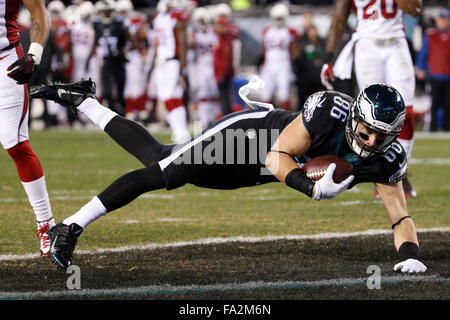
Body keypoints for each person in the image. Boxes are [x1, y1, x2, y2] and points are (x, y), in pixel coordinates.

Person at [30, 77, 427, 275]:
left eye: (382, 135)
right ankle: (70, 226)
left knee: (163, 157)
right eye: (366, 130)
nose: (371, 140)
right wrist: (311, 188)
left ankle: (83, 101)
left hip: (266, 168)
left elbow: (400, 217)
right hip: (254, 136)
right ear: (355, 116)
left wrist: (409, 255)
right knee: (165, 174)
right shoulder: (328, 112)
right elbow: (278, 155)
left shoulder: (386, 157)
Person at [320, 0, 422, 199]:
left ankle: (400, 172)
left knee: (406, 114)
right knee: (371, 114)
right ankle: (379, 175)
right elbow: (339, 20)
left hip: (396, 44)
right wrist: (328, 58)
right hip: (367, 46)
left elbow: (415, 10)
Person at [1, 0, 55, 256]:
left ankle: (47, 225)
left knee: (16, 144)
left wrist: (33, 55)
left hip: (5, 61)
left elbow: (38, 13)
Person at [151, 0, 190, 144]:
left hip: (172, 61)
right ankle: (179, 131)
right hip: (161, 62)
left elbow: (183, 42)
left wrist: (182, 66)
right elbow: (156, 43)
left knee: (173, 96)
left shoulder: (176, 17)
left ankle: (181, 132)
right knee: (166, 96)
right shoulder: (158, 18)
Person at [258, 3, 299, 111]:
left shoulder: (290, 31)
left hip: (283, 64)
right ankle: (266, 119)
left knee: (284, 94)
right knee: (266, 93)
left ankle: (285, 119)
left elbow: (294, 52)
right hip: (270, 64)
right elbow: (263, 50)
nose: (278, 20)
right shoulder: (267, 31)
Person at [416, 8, 450, 132]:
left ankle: (447, 127)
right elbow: (423, 53)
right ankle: (433, 127)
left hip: (448, 74)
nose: (443, 22)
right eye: (441, 20)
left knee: (448, 103)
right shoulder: (431, 35)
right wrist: (420, 68)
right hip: (435, 74)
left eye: (446, 20)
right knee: (434, 102)